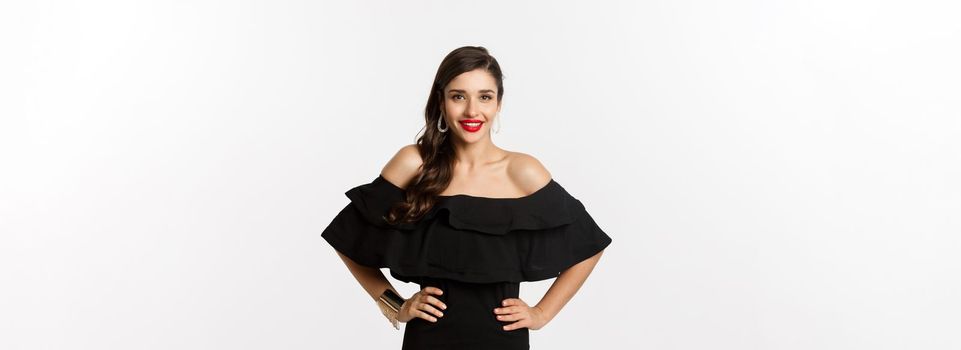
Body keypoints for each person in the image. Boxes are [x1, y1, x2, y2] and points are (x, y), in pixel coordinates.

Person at [321, 46, 613, 350]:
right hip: (428, 340)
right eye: (459, 96)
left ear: (498, 103)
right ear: (441, 101)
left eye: (484, 97)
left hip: (503, 341)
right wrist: (395, 304)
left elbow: (589, 245)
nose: (472, 111)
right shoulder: (413, 164)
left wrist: (541, 313)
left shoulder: (523, 170)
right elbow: (346, 238)